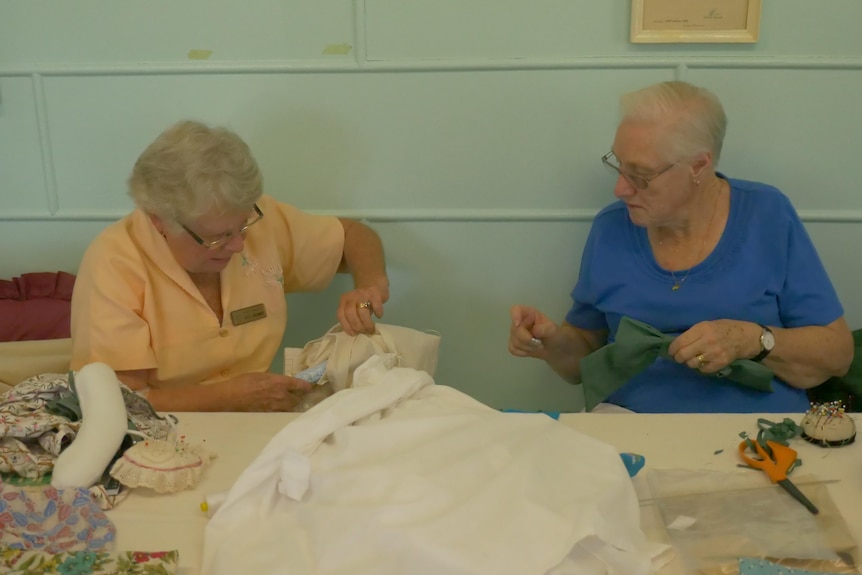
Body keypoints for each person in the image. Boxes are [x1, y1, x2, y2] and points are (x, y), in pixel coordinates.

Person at [508, 81, 853, 413]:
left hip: (757, 435)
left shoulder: (768, 215)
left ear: (699, 166)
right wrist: (551, 343)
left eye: (640, 175)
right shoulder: (610, 227)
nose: (620, 190)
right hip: (631, 430)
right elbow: (582, 361)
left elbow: (837, 355)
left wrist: (751, 340)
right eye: (618, 165)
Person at [71, 120, 390, 412]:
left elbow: (354, 235)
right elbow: (120, 401)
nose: (238, 245)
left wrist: (370, 285)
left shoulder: (253, 218)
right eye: (217, 237)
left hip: (257, 423)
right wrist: (228, 397)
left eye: (243, 226)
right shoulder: (113, 263)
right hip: (160, 435)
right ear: (160, 221)